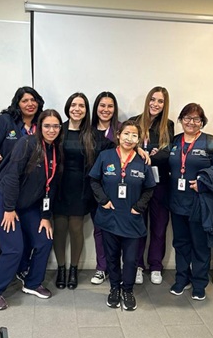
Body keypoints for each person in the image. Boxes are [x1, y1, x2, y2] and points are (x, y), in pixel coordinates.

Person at [0, 109, 63, 310]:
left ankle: (32, 283)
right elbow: (12, 177)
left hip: (29, 206)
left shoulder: (55, 150)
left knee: (44, 240)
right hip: (6, 203)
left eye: (56, 126)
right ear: (39, 126)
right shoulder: (26, 143)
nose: (51, 130)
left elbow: (51, 186)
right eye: (47, 126)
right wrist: (9, 208)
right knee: (14, 248)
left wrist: (45, 216)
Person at [0, 87, 44, 282]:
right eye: (24, 101)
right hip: (6, 188)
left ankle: (22, 269)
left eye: (33, 100)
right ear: (17, 104)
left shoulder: (42, 124)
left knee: (28, 236)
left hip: (31, 194)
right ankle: (0, 281)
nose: (30, 104)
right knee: (10, 240)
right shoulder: (5, 122)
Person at [89, 120, 155, 311]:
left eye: (134, 135)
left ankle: (128, 290)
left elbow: (149, 188)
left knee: (131, 259)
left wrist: (139, 207)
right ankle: (114, 289)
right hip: (110, 216)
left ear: (139, 139)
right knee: (111, 257)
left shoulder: (142, 160)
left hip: (132, 218)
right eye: (126, 134)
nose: (129, 138)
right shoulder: (105, 156)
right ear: (118, 135)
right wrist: (103, 200)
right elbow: (94, 180)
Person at [168, 103, 213, 301]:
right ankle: (181, 279)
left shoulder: (210, 143)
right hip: (177, 202)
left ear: (202, 122)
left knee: (200, 244)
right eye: (187, 118)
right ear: (181, 120)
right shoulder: (175, 141)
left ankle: (199, 283)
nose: (191, 122)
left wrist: (203, 182)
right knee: (180, 243)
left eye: (196, 119)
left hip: (200, 203)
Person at [130, 86, 174, 285]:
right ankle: (137, 265)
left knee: (159, 226)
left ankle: (155, 265)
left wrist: (147, 156)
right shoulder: (134, 122)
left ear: (165, 105)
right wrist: (142, 151)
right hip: (138, 183)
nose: (156, 104)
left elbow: (168, 153)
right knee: (138, 225)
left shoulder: (168, 125)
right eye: (153, 99)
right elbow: (127, 148)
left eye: (160, 101)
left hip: (160, 183)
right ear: (148, 100)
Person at [53, 93, 96, 290]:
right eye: (73, 105)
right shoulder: (58, 130)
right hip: (59, 187)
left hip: (81, 188)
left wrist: (138, 150)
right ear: (68, 107)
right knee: (60, 230)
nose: (77, 109)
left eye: (81, 106)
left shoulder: (91, 134)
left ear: (86, 110)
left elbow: (115, 147)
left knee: (76, 229)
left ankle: (73, 270)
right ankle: (61, 269)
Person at [89, 92, 119, 285]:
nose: (106, 110)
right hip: (95, 188)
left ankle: (117, 268)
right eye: (102, 105)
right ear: (96, 108)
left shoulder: (120, 130)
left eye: (110, 106)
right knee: (99, 229)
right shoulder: (88, 130)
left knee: (118, 231)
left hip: (118, 189)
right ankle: (102, 268)